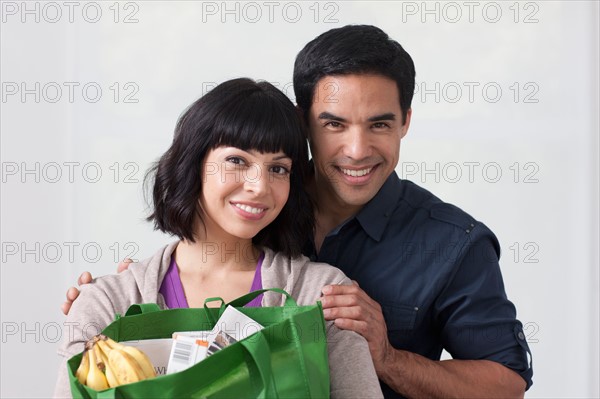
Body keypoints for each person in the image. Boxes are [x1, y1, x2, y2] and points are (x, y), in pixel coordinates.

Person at [63, 25, 533, 398]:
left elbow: (506, 383)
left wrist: (386, 357)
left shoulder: (452, 242)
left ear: (405, 121)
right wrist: (115, 301)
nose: (356, 148)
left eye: (380, 124)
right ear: (304, 121)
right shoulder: (259, 205)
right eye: (334, 123)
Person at [53, 78, 384, 398]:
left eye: (278, 169)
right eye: (237, 161)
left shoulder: (321, 297)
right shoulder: (108, 305)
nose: (260, 186)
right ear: (193, 164)